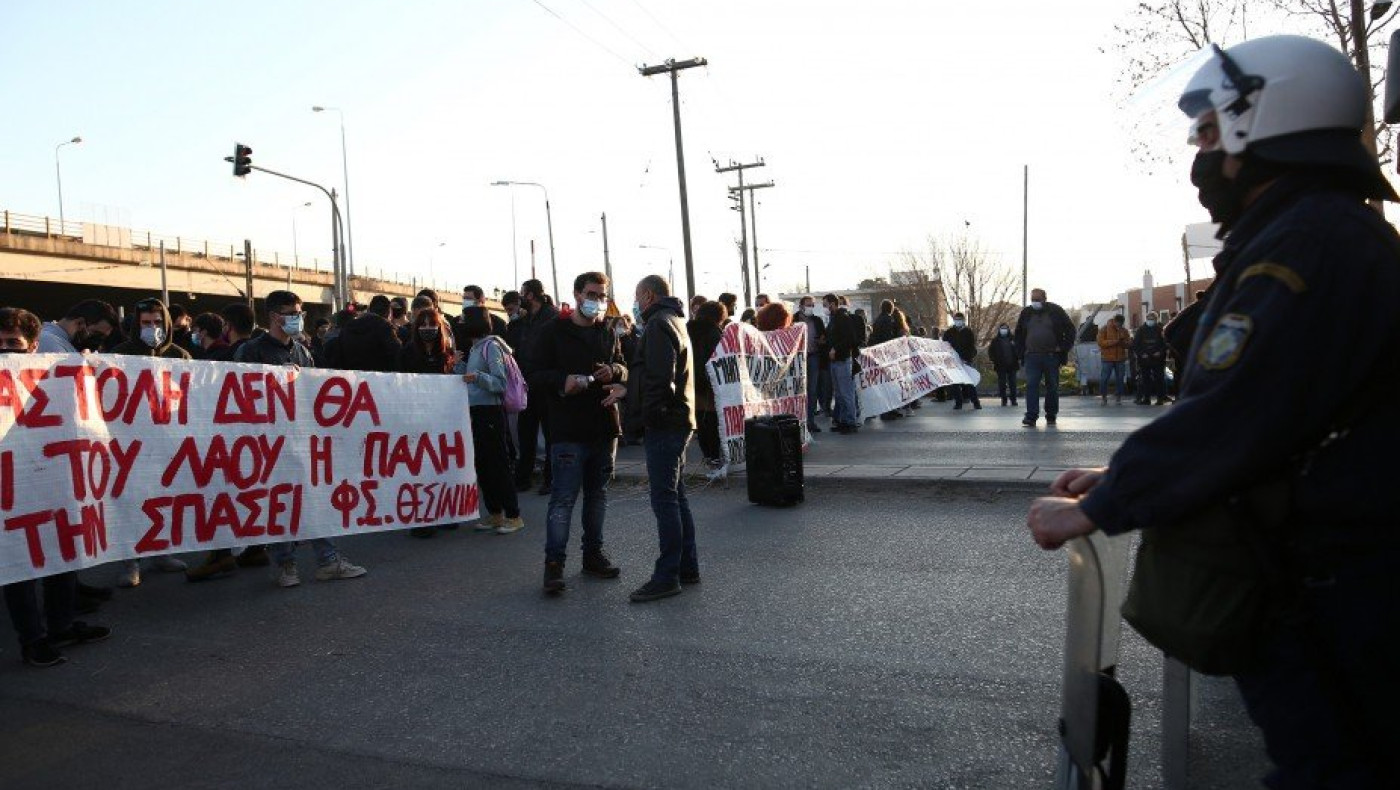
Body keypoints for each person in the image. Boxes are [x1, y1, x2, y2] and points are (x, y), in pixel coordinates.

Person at [1027, 35, 1400, 787]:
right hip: (1336, 565)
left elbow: (1238, 408)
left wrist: (1107, 502)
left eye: (1206, 134)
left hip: (1336, 579)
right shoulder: (1323, 231)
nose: (1198, 157)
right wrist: (1126, 472)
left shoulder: (1306, 243)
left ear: (1256, 126)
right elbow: (1283, 410)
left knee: (1333, 769)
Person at [1, 307, 113, 667]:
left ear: (33, 345)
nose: (5, 351)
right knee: (18, 564)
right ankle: (33, 641)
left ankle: (61, 625)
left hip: (51, 478)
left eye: (13, 343)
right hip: (10, 491)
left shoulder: (58, 375)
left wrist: (87, 371)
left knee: (61, 552)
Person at [237, 290, 368, 588]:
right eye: (292, 313)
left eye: (300, 313)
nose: (297, 319)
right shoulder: (251, 351)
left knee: (312, 497)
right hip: (267, 442)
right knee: (280, 501)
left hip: (300, 437)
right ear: (274, 316)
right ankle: (286, 565)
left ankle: (327, 560)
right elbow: (238, 395)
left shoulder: (302, 351)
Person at [529, 273, 627, 594]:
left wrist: (615, 373)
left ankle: (593, 555)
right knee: (563, 498)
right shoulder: (552, 332)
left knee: (596, 496)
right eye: (591, 294)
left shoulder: (608, 332)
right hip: (567, 429)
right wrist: (562, 382)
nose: (596, 301)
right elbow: (534, 374)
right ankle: (554, 564)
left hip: (603, 426)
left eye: (601, 296)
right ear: (575, 295)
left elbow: (624, 367)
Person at [108, 298, 191, 586]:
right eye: (146, 323)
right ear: (136, 324)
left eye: (157, 322)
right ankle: (130, 560)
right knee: (131, 500)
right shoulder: (120, 354)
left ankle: (161, 552)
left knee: (163, 499)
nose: (152, 328)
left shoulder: (180, 356)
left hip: (167, 441)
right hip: (129, 441)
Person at [631, 275, 698, 603]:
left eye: (636, 297)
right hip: (678, 419)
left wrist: (650, 415)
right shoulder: (674, 320)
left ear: (648, 295)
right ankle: (687, 566)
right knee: (676, 496)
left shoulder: (658, 324)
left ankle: (667, 574)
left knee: (665, 499)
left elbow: (660, 378)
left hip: (666, 423)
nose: (635, 303)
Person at [455, 306, 524, 536]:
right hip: (476, 410)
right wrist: (459, 366)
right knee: (483, 465)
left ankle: (513, 515)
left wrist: (478, 377)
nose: (460, 323)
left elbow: (500, 382)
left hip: (491, 411)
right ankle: (495, 513)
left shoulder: (491, 347)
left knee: (498, 464)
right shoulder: (475, 348)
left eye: (464, 319)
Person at [513, 279, 560, 495]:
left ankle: (551, 479)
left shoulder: (552, 317)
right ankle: (523, 478)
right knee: (526, 435)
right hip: (527, 383)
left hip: (546, 384)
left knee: (551, 435)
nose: (520, 298)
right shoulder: (526, 320)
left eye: (523, 293)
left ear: (531, 295)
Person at [1012, 288, 1074, 427]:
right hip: (1032, 356)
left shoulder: (1055, 311)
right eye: (1032, 299)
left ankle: (1051, 414)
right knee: (1031, 385)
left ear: (1044, 299)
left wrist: (1063, 347)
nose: (1035, 302)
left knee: (1052, 386)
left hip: (1051, 356)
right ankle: (1031, 416)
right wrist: (1021, 351)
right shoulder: (1026, 313)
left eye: (1037, 299)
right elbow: (1019, 334)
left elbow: (1070, 329)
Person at [687, 301, 727, 476]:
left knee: (700, 419)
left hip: (692, 381)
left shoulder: (688, 330)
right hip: (710, 382)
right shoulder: (715, 333)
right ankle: (715, 455)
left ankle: (708, 456)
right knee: (713, 418)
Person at [326, 294, 401, 372]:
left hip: (353, 380)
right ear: (388, 312)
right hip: (378, 379)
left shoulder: (349, 327)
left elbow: (338, 355)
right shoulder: (385, 327)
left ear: (370, 309)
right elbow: (396, 353)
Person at [824, 293, 860, 434]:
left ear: (833, 304)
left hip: (843, 360)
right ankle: (843, 420)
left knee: (846, 393)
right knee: (839, 394)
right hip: (835, 361)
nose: (825, 308)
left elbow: (850, 339)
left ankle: (850, 422)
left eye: (826, 305)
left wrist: (835, 348)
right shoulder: (833, 319)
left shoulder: (842, 318)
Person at [793, 296, 827, 432]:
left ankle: (810, 422)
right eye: (808, 305)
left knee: (812, 391)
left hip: (813, 357)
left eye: (812, 305)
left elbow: (824, 336)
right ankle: (799, 421)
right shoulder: (793, 320)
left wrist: (822, 341)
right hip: (797, 359)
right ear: (801, 306)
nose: (810, 307)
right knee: (798, 391)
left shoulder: (817, 320)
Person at [37, 299, 118, 354]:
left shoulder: (63, 342)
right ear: (80, 323)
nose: (98, 341)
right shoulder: (50, 342)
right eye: (96, 333)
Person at [943, 312, 981, 410]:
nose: (957, 321)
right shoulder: (949, 332)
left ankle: (976, 402)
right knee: (955, 383)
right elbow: (944, 346)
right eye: (956, 319)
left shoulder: (968, 332)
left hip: (965, 360)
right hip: (953, 361)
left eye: (959, 319)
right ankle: (958, 403)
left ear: (963, 320)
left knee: (969, 383)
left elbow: (971, 347)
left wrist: (967, 358)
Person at [1132, 312, 1169, 405]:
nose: (1150, 320)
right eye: (1148, 318)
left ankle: (1160, 399)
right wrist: (1141, 354)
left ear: (1156, 319)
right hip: (1144, 359)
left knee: (1159, 379)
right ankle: (1146, 398)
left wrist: (1160, 352)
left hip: (1158, 359)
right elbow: (1135, 344)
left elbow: (1166, 343)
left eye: (1152, 319)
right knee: (1145, 379)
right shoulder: (1141, 330)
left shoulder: (1161, 329)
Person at [1097, 314, 1131, 405]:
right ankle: (1104, 398)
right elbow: (1100, 342)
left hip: (1120, 359)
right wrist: (1114, 342)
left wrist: (1123, 342)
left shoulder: (1124, 331)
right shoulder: (1104, 329)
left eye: (1120, 324)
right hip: (1107, 359)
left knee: (1120, 379)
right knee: (1104, 379)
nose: (1118, 325)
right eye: (1117, 323)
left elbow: (1129, 344)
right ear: (1114, 321)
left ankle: (1118, 398)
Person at [989, 323, 1019, 407]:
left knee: (1012, 383)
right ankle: (1004, 399)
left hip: (1012, 364)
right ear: (999, 329)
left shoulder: (1013, 339)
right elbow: (991, 352)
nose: (1004, 330)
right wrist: (994, 360)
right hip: (1000, 365)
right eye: (1002, 328)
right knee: (1002, 383)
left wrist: (1018, 357)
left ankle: (1013, 399)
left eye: (1005, 328)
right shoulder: (995, 340)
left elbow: (1018, 349)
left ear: (1008, 329)